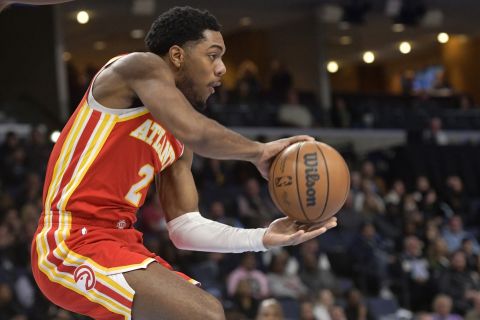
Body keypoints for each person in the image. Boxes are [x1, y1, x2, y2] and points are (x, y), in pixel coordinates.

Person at [29, 6, 337, 320]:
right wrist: (258, 152)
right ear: (177, 55)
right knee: (205, 314)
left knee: (204, 310)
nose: (221, 70)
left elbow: (184, 227)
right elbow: (198, 131)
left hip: (122, 243)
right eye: (212, 55)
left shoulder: (178, 138)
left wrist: (260, 238)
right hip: (70, 241)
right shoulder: (138, 66)